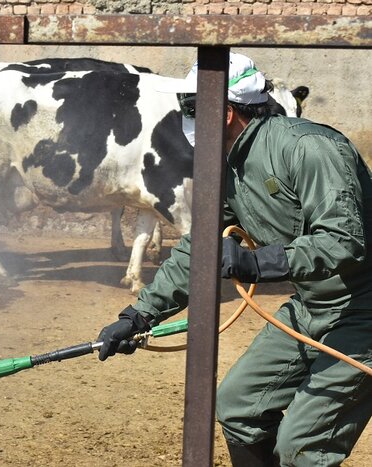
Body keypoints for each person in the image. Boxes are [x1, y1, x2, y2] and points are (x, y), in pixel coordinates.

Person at [96, 52, 372, 466]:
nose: (181, 117)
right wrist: (138, 316)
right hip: (313, 306)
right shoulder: (229, 165)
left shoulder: (310, 148)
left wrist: (258, 264)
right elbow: (198, 248)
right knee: (238, 406)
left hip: (364, 309)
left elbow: (344, 240)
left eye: (190, 107)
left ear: (224, 112)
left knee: (302, 443)